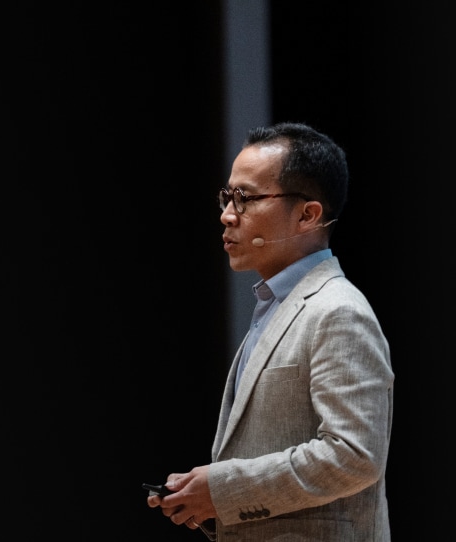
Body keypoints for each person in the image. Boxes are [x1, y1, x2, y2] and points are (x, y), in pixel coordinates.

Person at [146, 121, 394, 541]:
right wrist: (208, 505)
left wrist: (224, 491)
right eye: (227, 196)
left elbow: (354, 456)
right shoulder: (278, 305)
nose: (227, 214)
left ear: (307, 215)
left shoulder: (337, 310)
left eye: (245, 198)